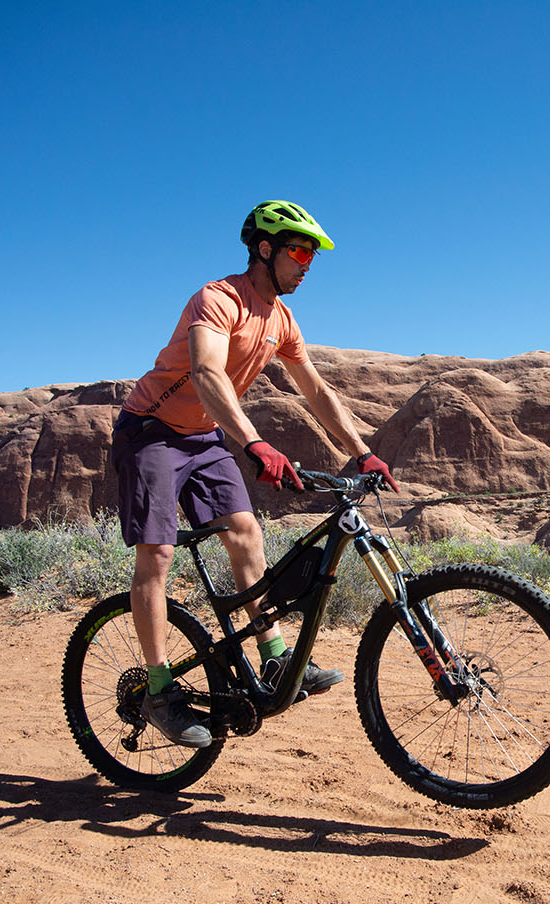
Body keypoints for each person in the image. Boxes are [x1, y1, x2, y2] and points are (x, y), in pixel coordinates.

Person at [111, 200, 398, 748]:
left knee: (245, 532)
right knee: (158, 553)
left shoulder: (282, 320)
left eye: (311, 254)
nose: (307, 263)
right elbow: (206, 373)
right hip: (149, 432)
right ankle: (157, 688)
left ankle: (272, 657)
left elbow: (316, 390)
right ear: (264, 249)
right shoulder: (219, 299)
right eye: (298, 250)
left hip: (202, 438)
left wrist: (362, 451)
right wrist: (255, 443)